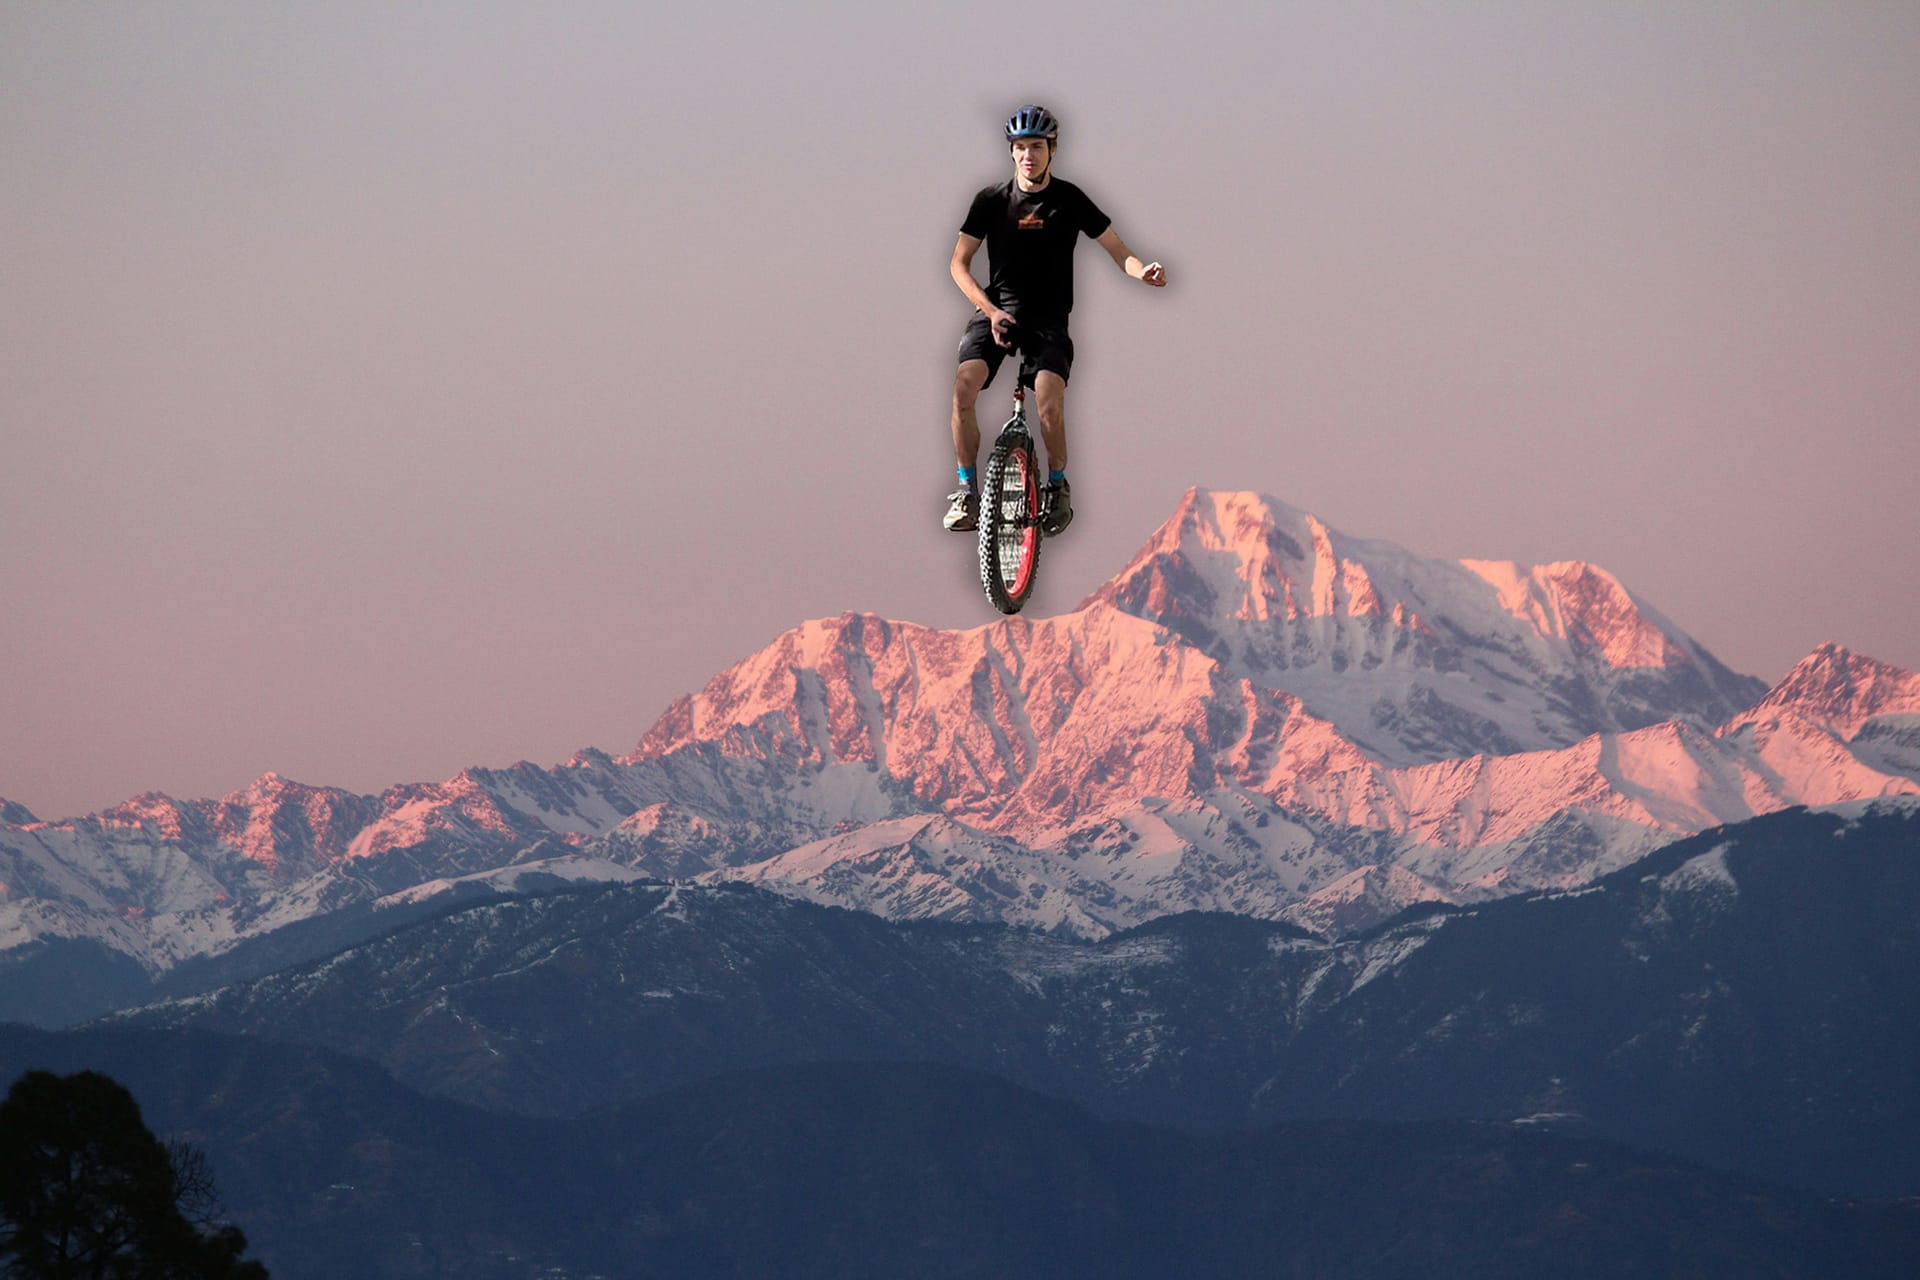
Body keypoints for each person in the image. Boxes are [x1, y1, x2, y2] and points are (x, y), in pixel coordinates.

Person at [944, 104, 1167, 536]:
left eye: (1038, 147)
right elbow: (958, 263)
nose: (1029, 155)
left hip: (1048, 320)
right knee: (962, 388)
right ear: (1011, 152)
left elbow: (1119, 251)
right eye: (1022, 147)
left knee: (1048, 399)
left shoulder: (1069, 200)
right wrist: (989, 312)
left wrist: (1143, 272)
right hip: (997, 312)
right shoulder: (990, 201)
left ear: (1052, 151)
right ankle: (966, 492)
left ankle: (1058, 487)